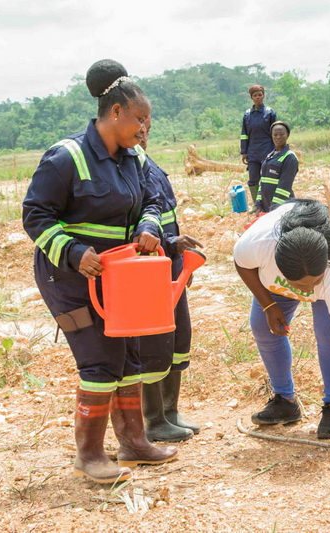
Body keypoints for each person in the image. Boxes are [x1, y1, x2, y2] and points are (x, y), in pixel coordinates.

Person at [22, 59, 178, 485]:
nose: (145, 128)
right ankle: (89, 454)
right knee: (99, 360)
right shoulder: (66, 156)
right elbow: (35, 216)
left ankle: (134, 443)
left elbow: (153, 200)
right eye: (140, 119)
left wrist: (148, 225)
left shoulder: (134, 157)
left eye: (148, 121)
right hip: (68, 277)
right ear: (115, 113)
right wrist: (73, 252)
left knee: (127, 356)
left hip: (120, 277)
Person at [233, 199, 330, 439]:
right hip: (290, 260)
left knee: (329, 334)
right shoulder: (257, 246)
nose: (305, 292)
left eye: (312, 284)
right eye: (298, 286)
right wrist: (269, 304)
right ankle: (285, 401)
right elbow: (242, 264)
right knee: (263, 326)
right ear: (278, 267)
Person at [135, 118, 203, 442]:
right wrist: (170, 246)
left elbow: (165, 218)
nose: (142, 135)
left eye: (146, 129)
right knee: (154, 345)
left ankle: (170, 411)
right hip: (148, 270)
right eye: (137, 128)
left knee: (178, 339)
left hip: (170, 265)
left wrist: (179, 261)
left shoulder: (149, 166)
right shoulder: (126, 172)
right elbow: (135, 229)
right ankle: (154, 419)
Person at [240, 85, 277, 208]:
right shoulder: (247, 115)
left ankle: (269, 204)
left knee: (268, 179)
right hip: (252, 152)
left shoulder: (270, 113)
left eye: (260, 95)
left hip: (268, 150)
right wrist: (244, 152)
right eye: (255, 95)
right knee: (253, 179)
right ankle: (257, 205)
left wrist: (277, 150)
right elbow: (244, 134)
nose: (258, 97)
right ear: (251, 98)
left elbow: (276, 133)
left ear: (263, 96)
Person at [254, 121, 298, 213]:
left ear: (287, 135)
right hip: (268, 207)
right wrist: (258, 202)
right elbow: (263, 181)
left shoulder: (290, 158)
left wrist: (275, 208)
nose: (278, 137)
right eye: (275, 135)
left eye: (281, 134)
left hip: (282, 208)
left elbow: (284, 187)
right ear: (271, 136)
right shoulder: (270, 156)